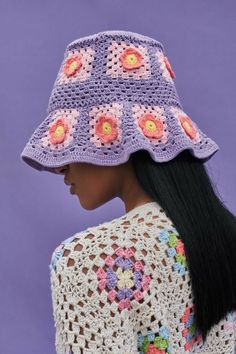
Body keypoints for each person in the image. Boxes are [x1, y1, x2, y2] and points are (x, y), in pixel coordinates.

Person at [20, 30, 236, 353]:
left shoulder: (84, 262)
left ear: (116, 136)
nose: (59, 166)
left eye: (75, 138)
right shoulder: (224, 240)